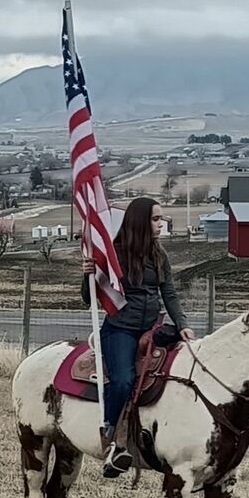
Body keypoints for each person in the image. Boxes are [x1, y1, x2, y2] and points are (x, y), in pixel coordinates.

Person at [82, 197, 195, 479]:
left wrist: (181, 324)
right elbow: (88, 298)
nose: (161, 224)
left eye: (162, 219)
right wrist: (88, 276)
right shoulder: (114, 255)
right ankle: (110, 434)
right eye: (156, 219)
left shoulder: (159, 254)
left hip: (153, 328)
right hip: (120, 329)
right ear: (140, 222)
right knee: (123, 380)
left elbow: (168, 293)